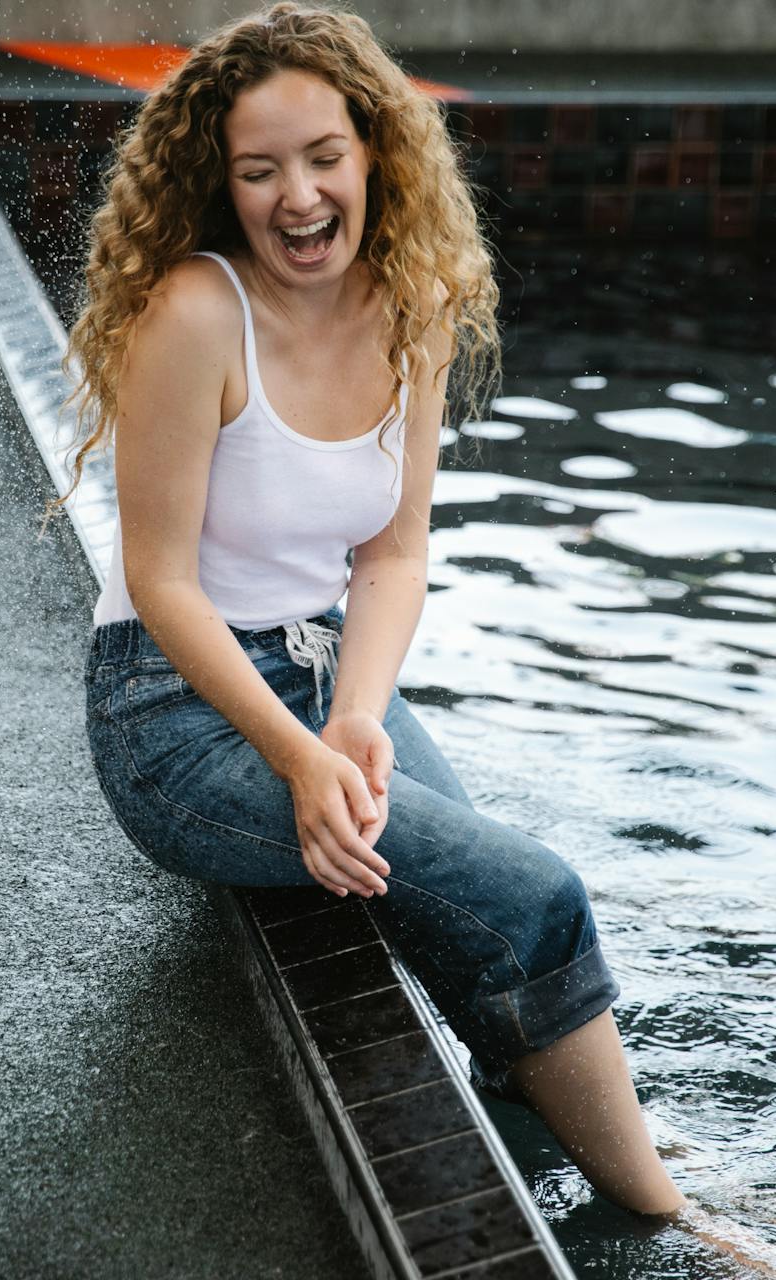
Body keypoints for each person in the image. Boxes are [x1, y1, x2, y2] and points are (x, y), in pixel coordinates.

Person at [61, 1, 689, 1222]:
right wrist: (300, 756)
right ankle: (672, 1212)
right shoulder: (198, 314)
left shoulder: (418, 299)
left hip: (321, 666)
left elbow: (395, 552)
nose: (298, 197)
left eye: (322, 157)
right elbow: (161, 582)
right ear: (223, 183)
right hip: (173, 711)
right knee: (536, 894)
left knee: (473, 900)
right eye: (260, 171)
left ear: (373, 152)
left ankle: (550, 1136)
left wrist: (352, 715)